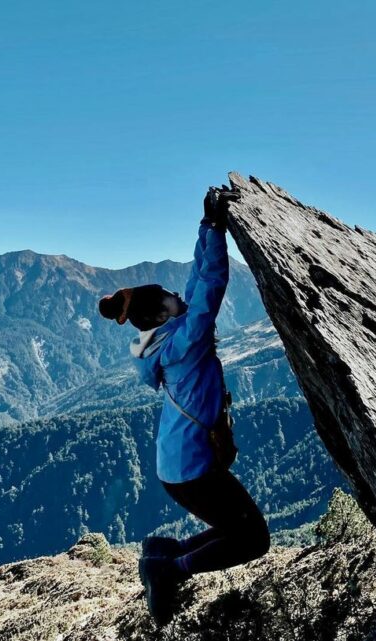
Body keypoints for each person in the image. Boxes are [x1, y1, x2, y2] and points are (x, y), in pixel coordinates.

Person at [97, 187, 270, 626]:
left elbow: (195, 281)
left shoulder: (163, 339)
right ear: (161, 315)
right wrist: (213, 227)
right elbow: (211, 284)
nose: (179, 294)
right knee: (253, 539)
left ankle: (164, 551)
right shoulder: (185, 340)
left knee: (240, 527)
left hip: (179, 466)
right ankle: (167, 569)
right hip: (192, 470)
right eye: (170, 296)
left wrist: (207, 226)